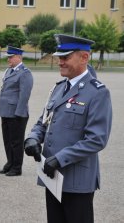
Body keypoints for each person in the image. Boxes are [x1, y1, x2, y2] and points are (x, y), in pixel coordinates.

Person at [24, 34, 112, 223]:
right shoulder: (59, 88)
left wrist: (61, 158)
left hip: (77, 179)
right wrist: (32, 138)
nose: (60, 62)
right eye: (59, 57)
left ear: (84, 57)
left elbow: (97, 139)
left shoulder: (97, 92)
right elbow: (43, 121)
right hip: (53, 176)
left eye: (65, 57)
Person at [0, 46, 33, 176]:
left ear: (19, 57)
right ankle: (10, 163)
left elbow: (24, 95)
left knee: (16, 142)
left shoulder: (25, 73)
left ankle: (17, 167)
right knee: (7, 140)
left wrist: (19, 113)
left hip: (17, 113)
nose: (9, 59)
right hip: (6, 111)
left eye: (11, 57)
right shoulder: (9, 71)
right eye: (8, 57)